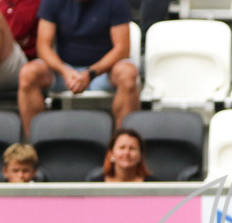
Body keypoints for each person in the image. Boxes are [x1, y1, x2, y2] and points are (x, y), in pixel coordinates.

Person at [16, 0, 139, 138]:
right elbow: (43, 46)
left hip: (104, 72)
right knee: (28, 73)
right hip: (65, 71)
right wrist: (65, 71)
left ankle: (125, 145)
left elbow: (122, 49)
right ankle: (36, 146)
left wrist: (90, 73)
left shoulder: (116, 2)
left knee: (128, 74)